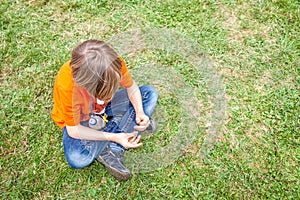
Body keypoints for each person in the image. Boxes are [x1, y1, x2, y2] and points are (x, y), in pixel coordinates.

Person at [51, 39, 158, 181]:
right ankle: (118, 135)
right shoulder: (68, 88)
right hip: (81, 120)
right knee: (77, 158)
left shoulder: (113, 64)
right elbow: (73, 130)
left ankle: (109, 146)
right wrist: (113, 136)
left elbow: (131, 87)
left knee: (149, 94)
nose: (112, 95)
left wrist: (139, 112)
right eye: (105, 92)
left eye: (114, 88)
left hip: (103, 110)